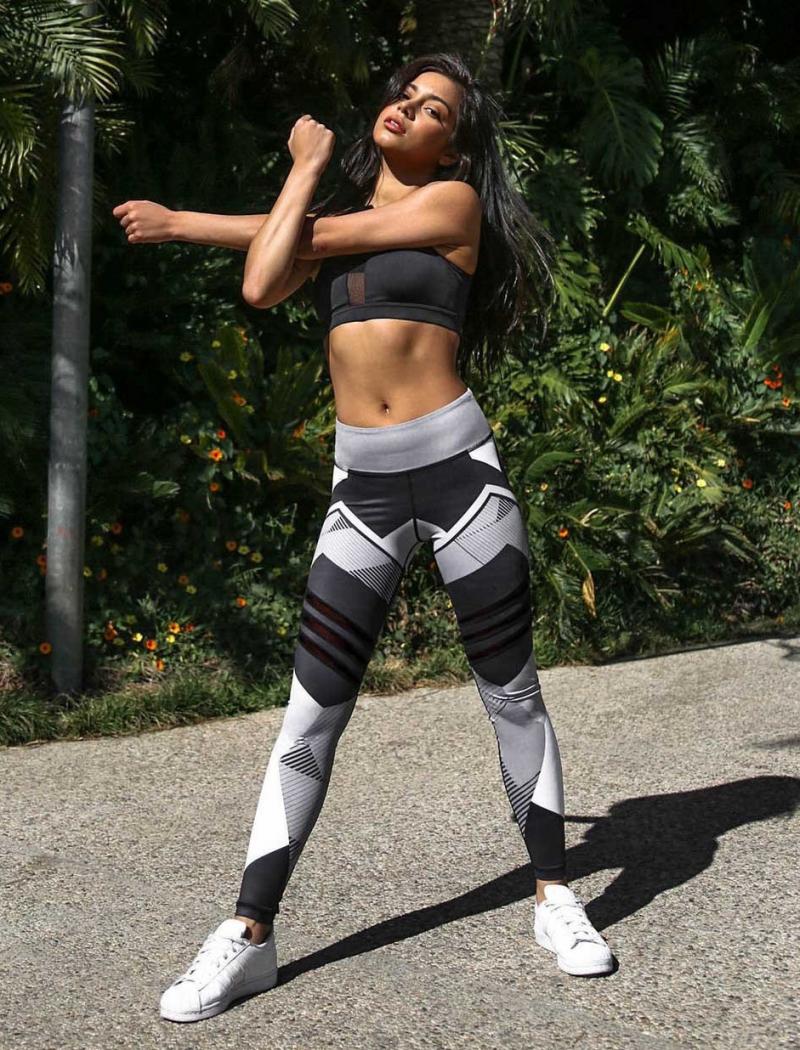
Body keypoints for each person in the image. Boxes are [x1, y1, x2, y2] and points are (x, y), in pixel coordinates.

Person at [114, 52, 613, 1024]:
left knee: (509, 692)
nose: (407, 110)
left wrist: (187, 221)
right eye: (402, 95)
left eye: (434, 111)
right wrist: (298, 174)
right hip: (364, 489)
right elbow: (266, 279)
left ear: (451, 147)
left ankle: (556, 897)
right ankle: (248, 935)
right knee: (310, 713)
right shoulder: (326, 213)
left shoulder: (451, 205)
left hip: (460, 473)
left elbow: (315, 236)